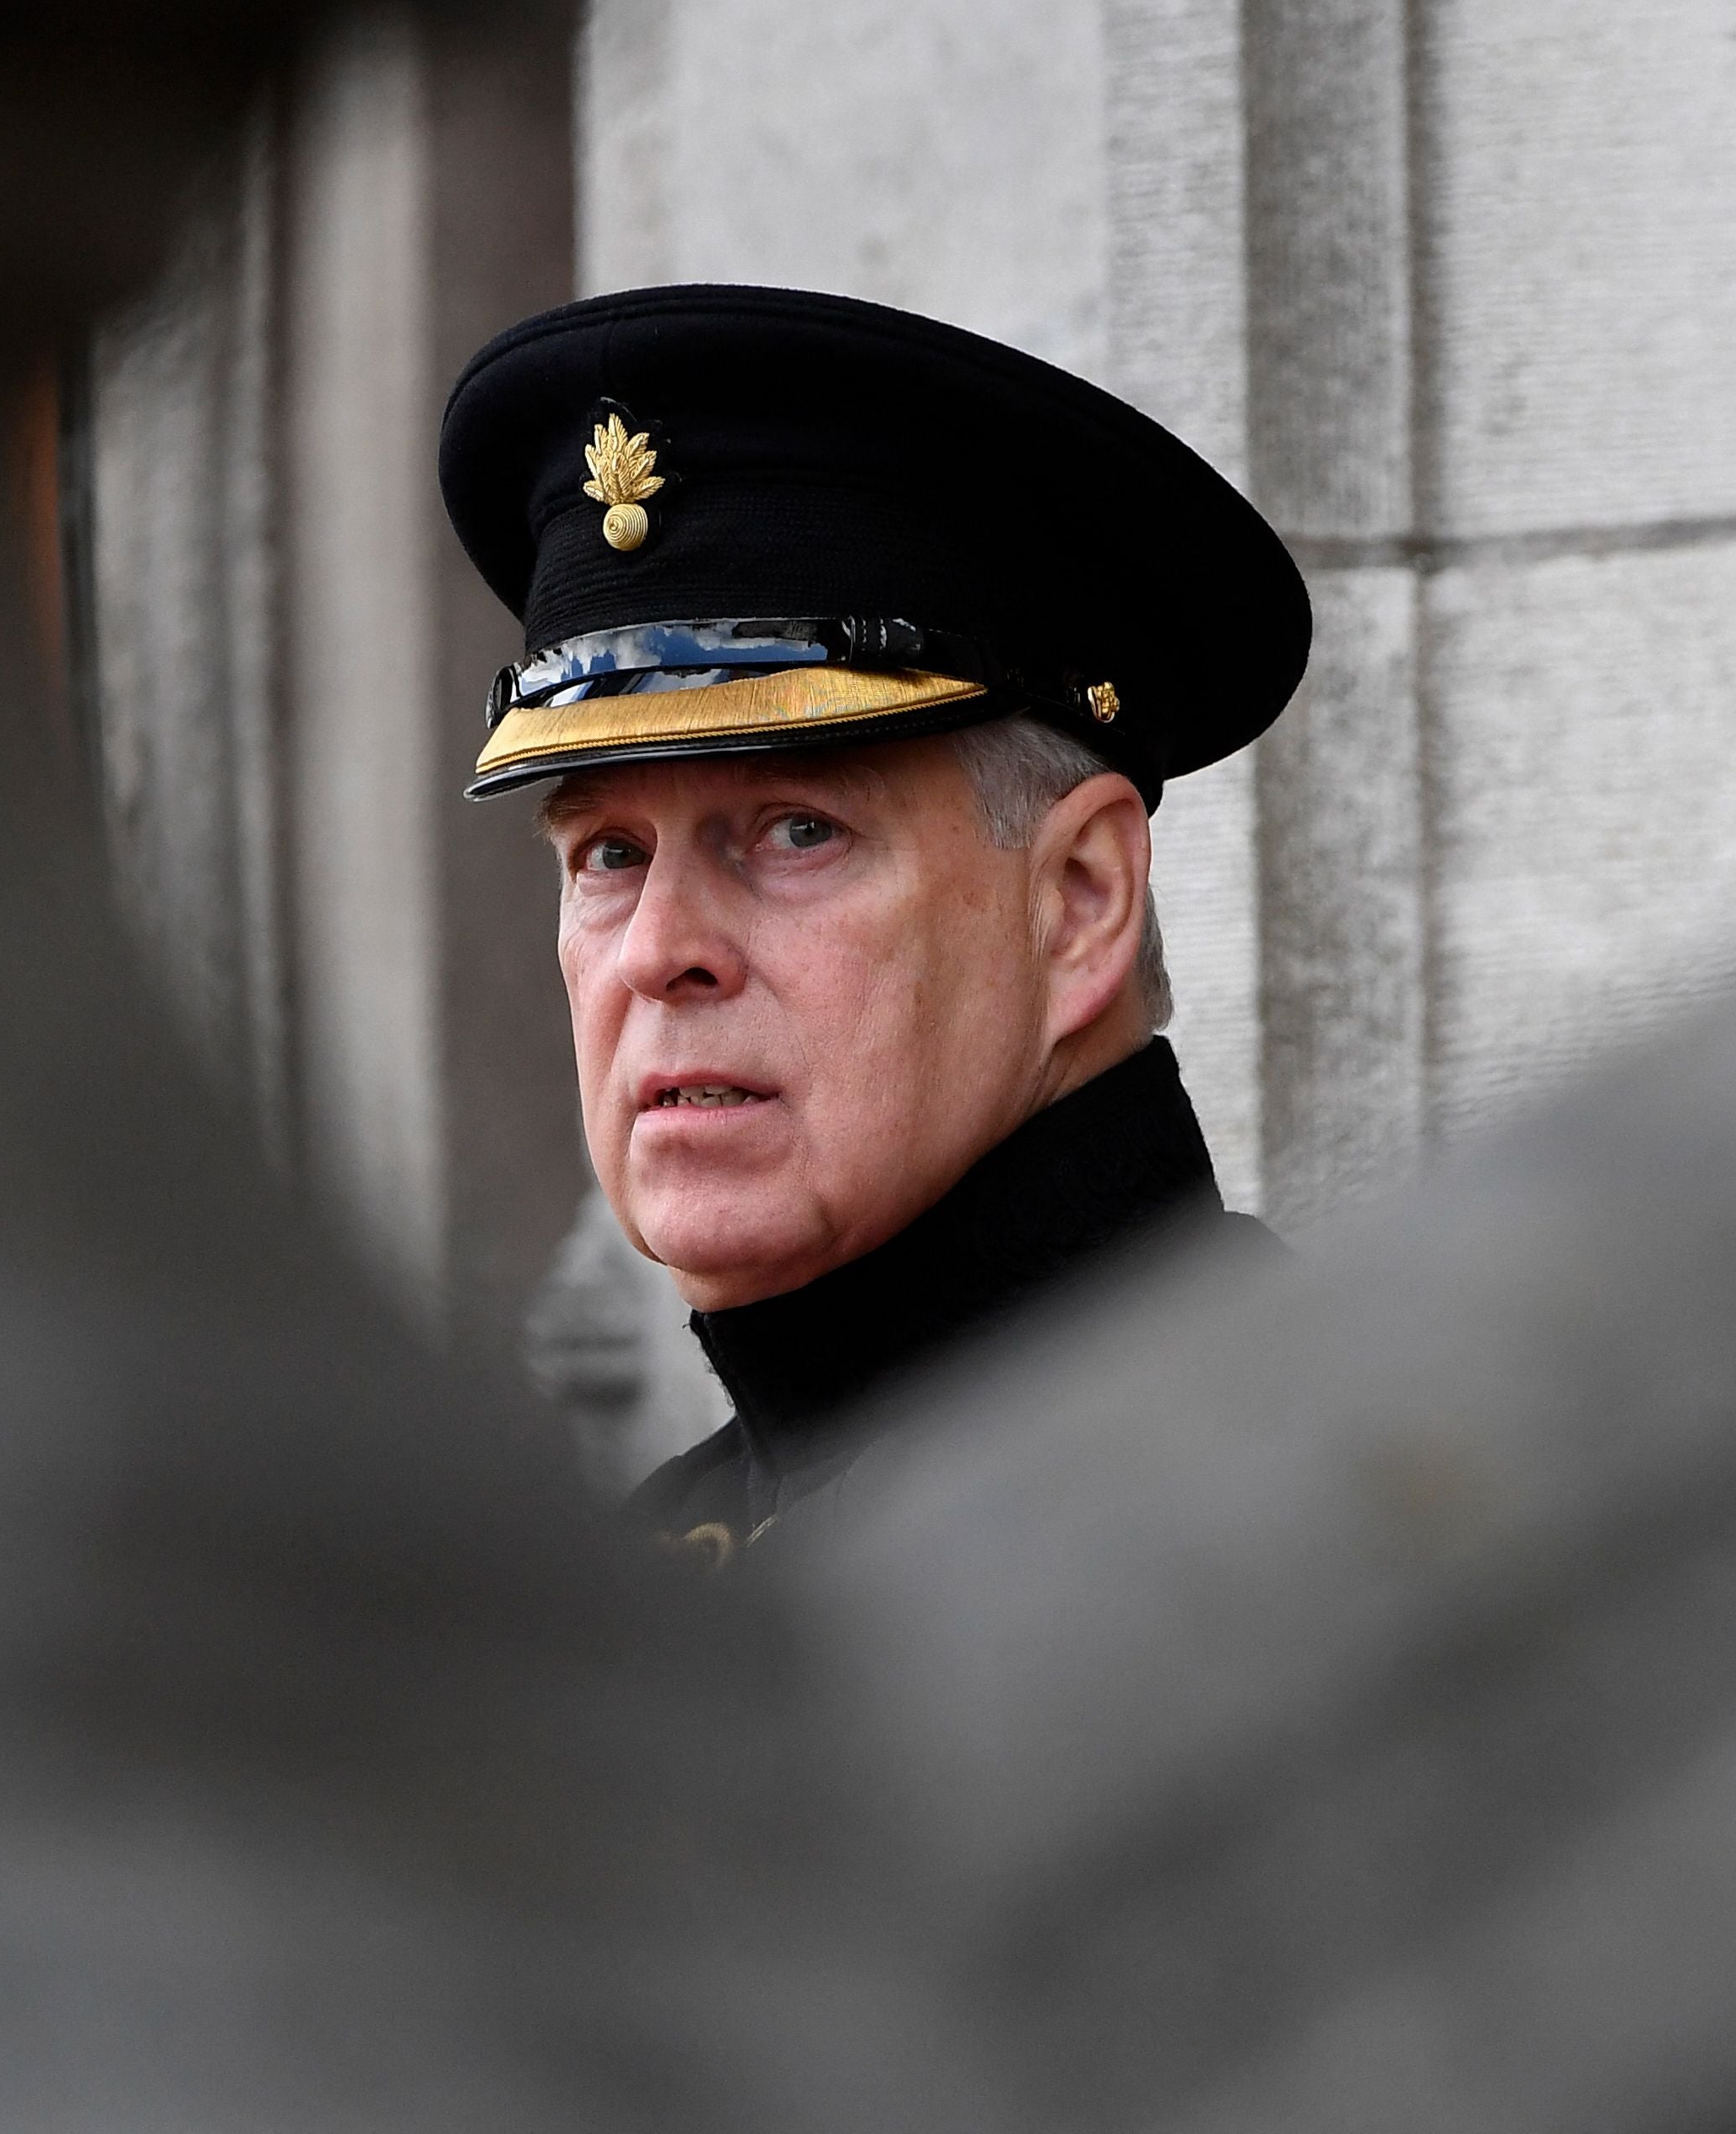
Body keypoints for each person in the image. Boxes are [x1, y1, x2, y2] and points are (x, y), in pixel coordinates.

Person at [438, 285, 1310, 1566]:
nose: (657, 947)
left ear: (1081, 900)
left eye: (798, 828)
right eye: (611, 853)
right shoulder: (673, 1547)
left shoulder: (1278, 1486)